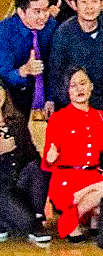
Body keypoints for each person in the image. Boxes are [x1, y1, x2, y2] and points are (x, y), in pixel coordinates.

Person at [42, 68, 103, 240]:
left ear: (91, 86)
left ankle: (71, 217)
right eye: (73, 86)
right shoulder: (58, 118)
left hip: (92, 175)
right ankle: (84, 215)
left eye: (83, 83)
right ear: (67, 91)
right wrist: (50, 158)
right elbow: (47, 162)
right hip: (66, 177)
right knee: (101, 195)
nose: (79, 89)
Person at [49, 0, 103, 117]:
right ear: (75, 5)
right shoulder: (63, 33)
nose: (89, 7)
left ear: (101, 4)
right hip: (79, 101)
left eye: (94, 1)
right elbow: (56, 71)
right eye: (83, 2)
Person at [0, 84, 52, 243]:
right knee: (25, 222)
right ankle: (11, 220)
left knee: (38, 166)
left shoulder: (17, 121)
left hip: (18, 182)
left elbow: (32, 156)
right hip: (1, 188)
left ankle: (37, 217)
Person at [0, 0, 57, 118]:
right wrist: (24, 70)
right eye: (37, 11)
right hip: (14, 101)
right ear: (21, 12)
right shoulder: (4, 32)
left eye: (46, 10)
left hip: (48, 98)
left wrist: (51, 98)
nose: (43, 16)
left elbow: (55, 65)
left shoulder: (51, 25)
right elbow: (4, 75)